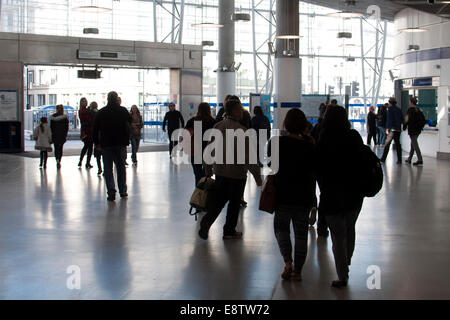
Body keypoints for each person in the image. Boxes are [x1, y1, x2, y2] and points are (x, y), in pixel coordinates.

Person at [316, 105, 365, 288]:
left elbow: (318, 168)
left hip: (331, 195)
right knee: (350, 228)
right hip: (354, 194)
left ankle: (342, 274)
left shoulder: (323, 139)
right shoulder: (354, 137)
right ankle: (347, 261)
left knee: (337, 236)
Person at [199, 98, 262, 240]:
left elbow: (209, 151)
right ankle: (229, 231)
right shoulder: (242, 131)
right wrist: (258, 178)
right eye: (240, 109)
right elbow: (249, 158)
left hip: (220, 172)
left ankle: (206, 222)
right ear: (234, 111)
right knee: (234, 204)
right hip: (237, 174)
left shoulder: (217, 127)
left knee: (218, 202)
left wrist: (208, 170)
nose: (241, 111)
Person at [273, 108, 316, 282]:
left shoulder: (276, 143)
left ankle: (287, 261)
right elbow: (315, 170)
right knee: (300, 234)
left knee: (280, 228)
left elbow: (271, 167)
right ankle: (298, 272)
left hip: (282, 195)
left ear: (286, 123)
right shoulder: (310, 146)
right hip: (304, 196)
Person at [93, 91, 132, 201]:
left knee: (108, 169)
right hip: (120, 143)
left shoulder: (101, 112)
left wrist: (96, 143)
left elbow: (95, 129)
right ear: (116, 99)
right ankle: (123, 191)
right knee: (120, 168)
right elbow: (130, 120)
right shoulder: (123, 110)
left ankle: (111, 192)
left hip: (106, 144)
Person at [184, 102, 216, 186]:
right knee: (207, 174)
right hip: (209, 151)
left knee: (198, 174)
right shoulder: (213, 122)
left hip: (196, 151)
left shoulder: (192, 121)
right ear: (209, 110)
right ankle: (206, 194)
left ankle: (199, 194)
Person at [380, 97, 404, 164]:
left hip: (392, 129)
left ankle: (383, 158)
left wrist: (387, 128)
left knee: (387, 144)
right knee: (398, 144)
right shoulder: (399, 109)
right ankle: (399, 159)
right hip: (398, 129)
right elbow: (402, 119)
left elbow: (389, 120)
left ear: (390, 102)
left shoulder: (389, 109)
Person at [404, 97, 426, 166]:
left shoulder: (410, 110)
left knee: (415, 144)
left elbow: (406, 119)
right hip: (418, 130)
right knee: (413, 143)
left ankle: (420, 159)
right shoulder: (419, 110)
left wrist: (404, 126)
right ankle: (409, 158)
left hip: (412, 129)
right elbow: (423, 120)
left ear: (411, 102)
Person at [50, 104, 69, 169]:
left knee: (56, 148)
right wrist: (65, 134)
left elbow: (51, 127)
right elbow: (67, 127)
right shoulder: (64, 117)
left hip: (55, 134)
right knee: (60, 148)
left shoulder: (53, 117)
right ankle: (59, 160)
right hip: (62, 135)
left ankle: (57, 160)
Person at [78, 97, 94, 169]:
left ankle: (84, 161)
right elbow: (87, 119)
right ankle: (86, 162)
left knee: (88, 146)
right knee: (88, 146)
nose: (85, 102)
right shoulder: (83, 111)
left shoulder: (85, 110)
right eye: (84, 101)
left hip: (88, 130)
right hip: (86, 130)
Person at [89, 102, 102, 175]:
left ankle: (99, 168)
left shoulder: (90, 113)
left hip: (96, 137)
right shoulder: (100, 112)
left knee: (98, 155)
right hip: (102, 137)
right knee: (104, 154)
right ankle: (103, 168)